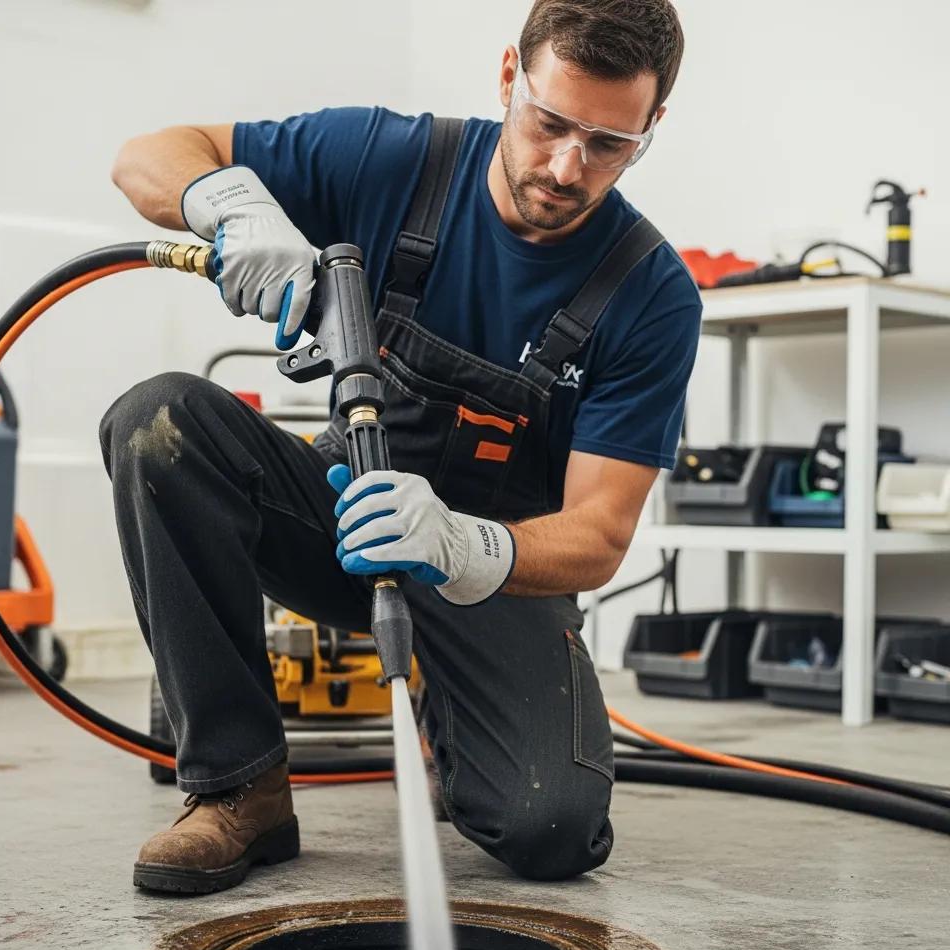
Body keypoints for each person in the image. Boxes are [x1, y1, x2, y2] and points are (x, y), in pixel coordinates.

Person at [103, 0, 699, 895]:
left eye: (610, 144)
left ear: (652, 127)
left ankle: (452, 716)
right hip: (338, 521)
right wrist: (227, 205)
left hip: (493, 575)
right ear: (510, 78)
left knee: (551, 832)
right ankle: (239, 790)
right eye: (550, 124)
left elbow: (600, 534)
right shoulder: (394, 160)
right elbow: (147, 153)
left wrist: (460, 542)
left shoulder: (651, 296)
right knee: (159, 425)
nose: (569, 167)